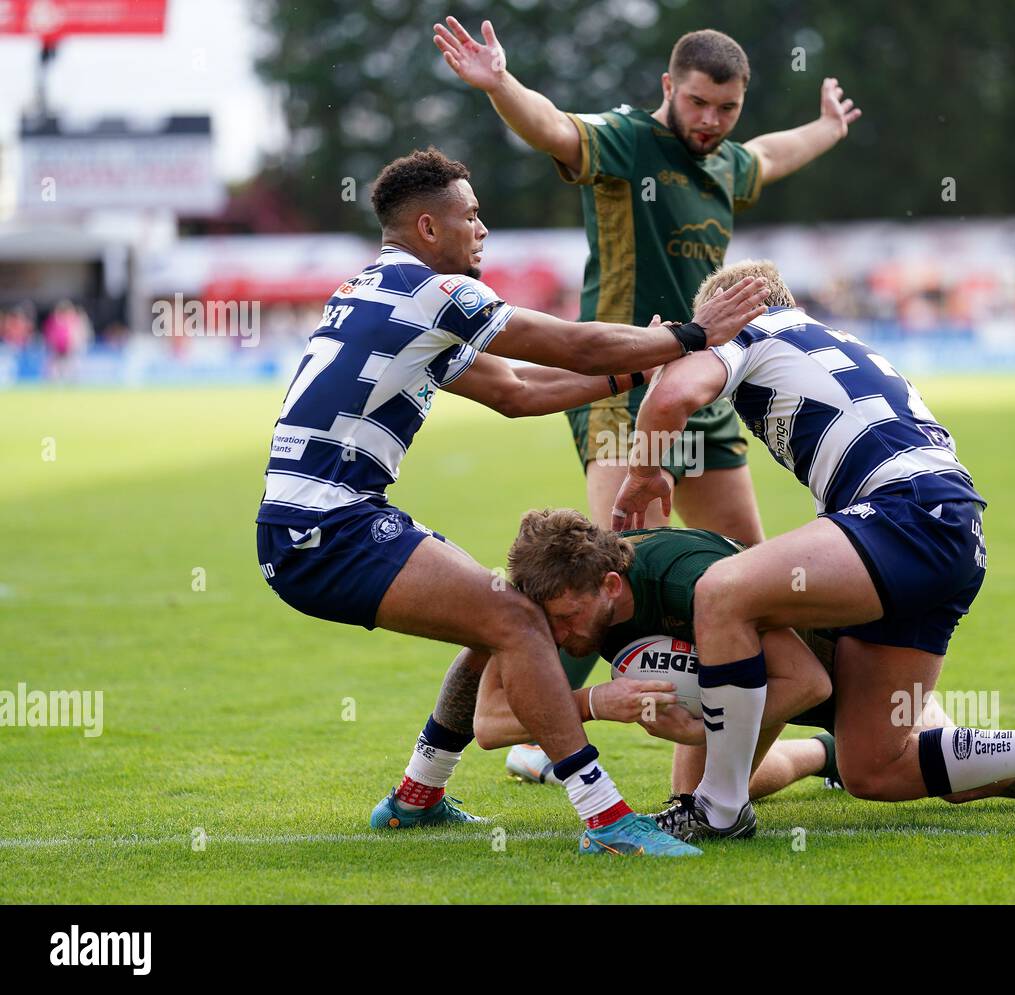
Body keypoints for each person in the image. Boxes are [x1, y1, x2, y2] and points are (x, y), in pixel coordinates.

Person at [254, 145, 768, 857]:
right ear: (429, 228)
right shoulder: (436, 292)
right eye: (471, 216)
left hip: (321, 518)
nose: (483, 229)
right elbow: (566, 343)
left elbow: (517, 392)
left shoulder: (377, 288)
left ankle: (417, 796)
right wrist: (688, 337)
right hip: (327, 525)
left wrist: (635, 368)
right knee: (519, 618)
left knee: (490, 611)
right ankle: (607, 819)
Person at [433, 18, 862, 778]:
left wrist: (827, 129)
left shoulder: (727, 162)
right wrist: (501, 84)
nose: (710, 122)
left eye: (726, 109)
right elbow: (557, 129)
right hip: (620, 392)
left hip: (709, 394)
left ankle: (776, 750)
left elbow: (770, 154)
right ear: (669, 87)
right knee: (598, 581)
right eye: (697, 103)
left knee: (752, 579)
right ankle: (547, 734)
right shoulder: (627, 144)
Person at [611, 260, 1015, 840]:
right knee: (874, 764)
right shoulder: (826, 340)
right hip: (950, 534)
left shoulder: (752, 330)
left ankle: (716, 807)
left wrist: (646, 473)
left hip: (904, 513)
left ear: (737, 309)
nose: (698, 342)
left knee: (720, 591)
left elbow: (671, 401)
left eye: (702, 331)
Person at [489, 512, 1015, 808]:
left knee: (941, 780)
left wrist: (706, 728)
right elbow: (493, 723)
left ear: (609, 587)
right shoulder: (563, 598)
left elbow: (806, 677)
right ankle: (824, 755)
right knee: (701, 797)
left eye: (565, 621)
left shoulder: (677, 580)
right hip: (782, 679)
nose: (559, 637)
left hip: (855, 663)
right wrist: (591, 704)